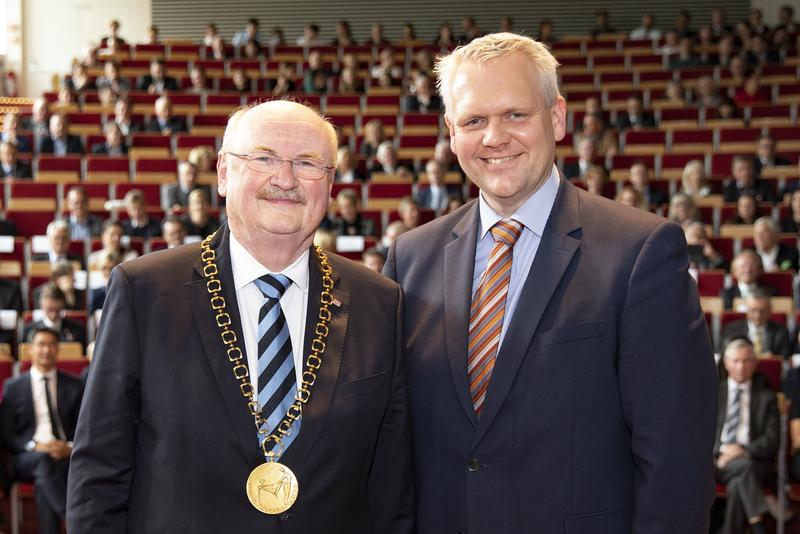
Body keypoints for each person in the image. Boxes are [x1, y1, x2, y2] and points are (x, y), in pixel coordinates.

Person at [384, 33, 717, 533]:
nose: (494, 137)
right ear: (452, 133)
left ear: (557, 118)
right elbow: (392, 439)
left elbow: (675, 456)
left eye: (515, 114)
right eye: (474, 120)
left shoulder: (641, 252)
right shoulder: (411, 258)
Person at [67, 100, 414, 532]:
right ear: (224, 173)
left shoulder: (379, 303)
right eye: (264, 158)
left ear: (329, 184)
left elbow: (393, 486)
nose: (284, 179)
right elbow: (99, 471)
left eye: (308, 163)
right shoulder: (145, 293)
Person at [1, 326, 83, 534]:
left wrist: (70, 447)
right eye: (41, 345)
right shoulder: (14, 387)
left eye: (51, 345)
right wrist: (36, 446)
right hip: (27, 457)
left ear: (58, 349)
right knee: (43, 461)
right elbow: (8, 435)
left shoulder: (74, 385)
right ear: (31, 349)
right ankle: (74, 520)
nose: (46, 350)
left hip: (65, 456)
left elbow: (82, 427)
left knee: (44, 479)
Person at [714, 338, 779, 534]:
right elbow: (702, 431)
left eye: (746, 361)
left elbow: (772, 438)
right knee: (743, 470)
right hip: (717, 461)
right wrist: (723, 449)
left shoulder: (767, 397)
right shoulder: (714, 393)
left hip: (753, 461)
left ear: (755, 363)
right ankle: (758, 524)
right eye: (735, 361)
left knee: (738, 481)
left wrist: (742, 451)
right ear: (726, 363)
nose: (741, 366)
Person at [720, 291, 791, 359]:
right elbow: (724, 354)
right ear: (747, 310)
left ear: (770, 310)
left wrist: (774, 358)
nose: (758, 315)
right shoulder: (731, 330)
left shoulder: (781, 331)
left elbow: (785, 357)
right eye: (753, 310)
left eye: (762, 311)